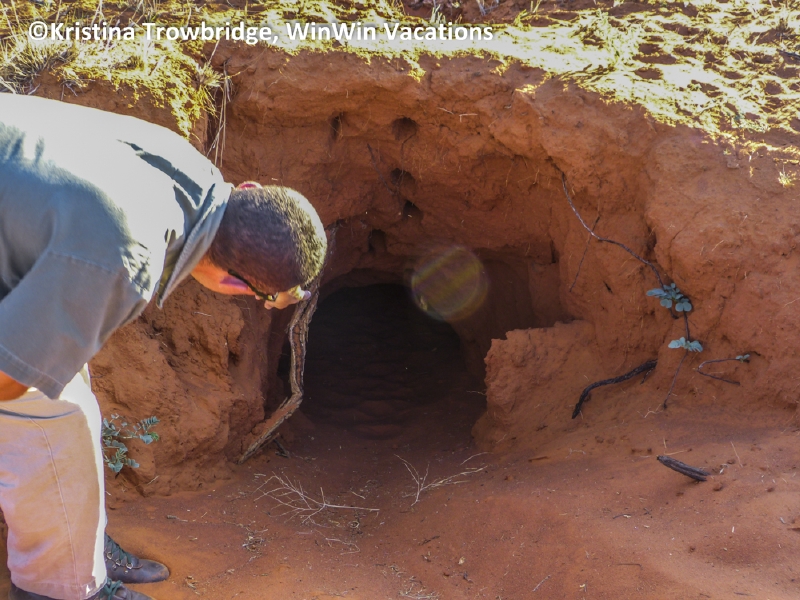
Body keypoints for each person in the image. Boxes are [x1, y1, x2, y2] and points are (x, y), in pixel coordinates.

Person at [0, 94, 328, 600]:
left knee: (62, 377)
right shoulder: (125, 256)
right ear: (235, 285)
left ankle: (74, 545)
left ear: (249, 189)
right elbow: (8, 381)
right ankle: (60, 587)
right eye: (264, 298)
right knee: (51, 414)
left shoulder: (181, 165)